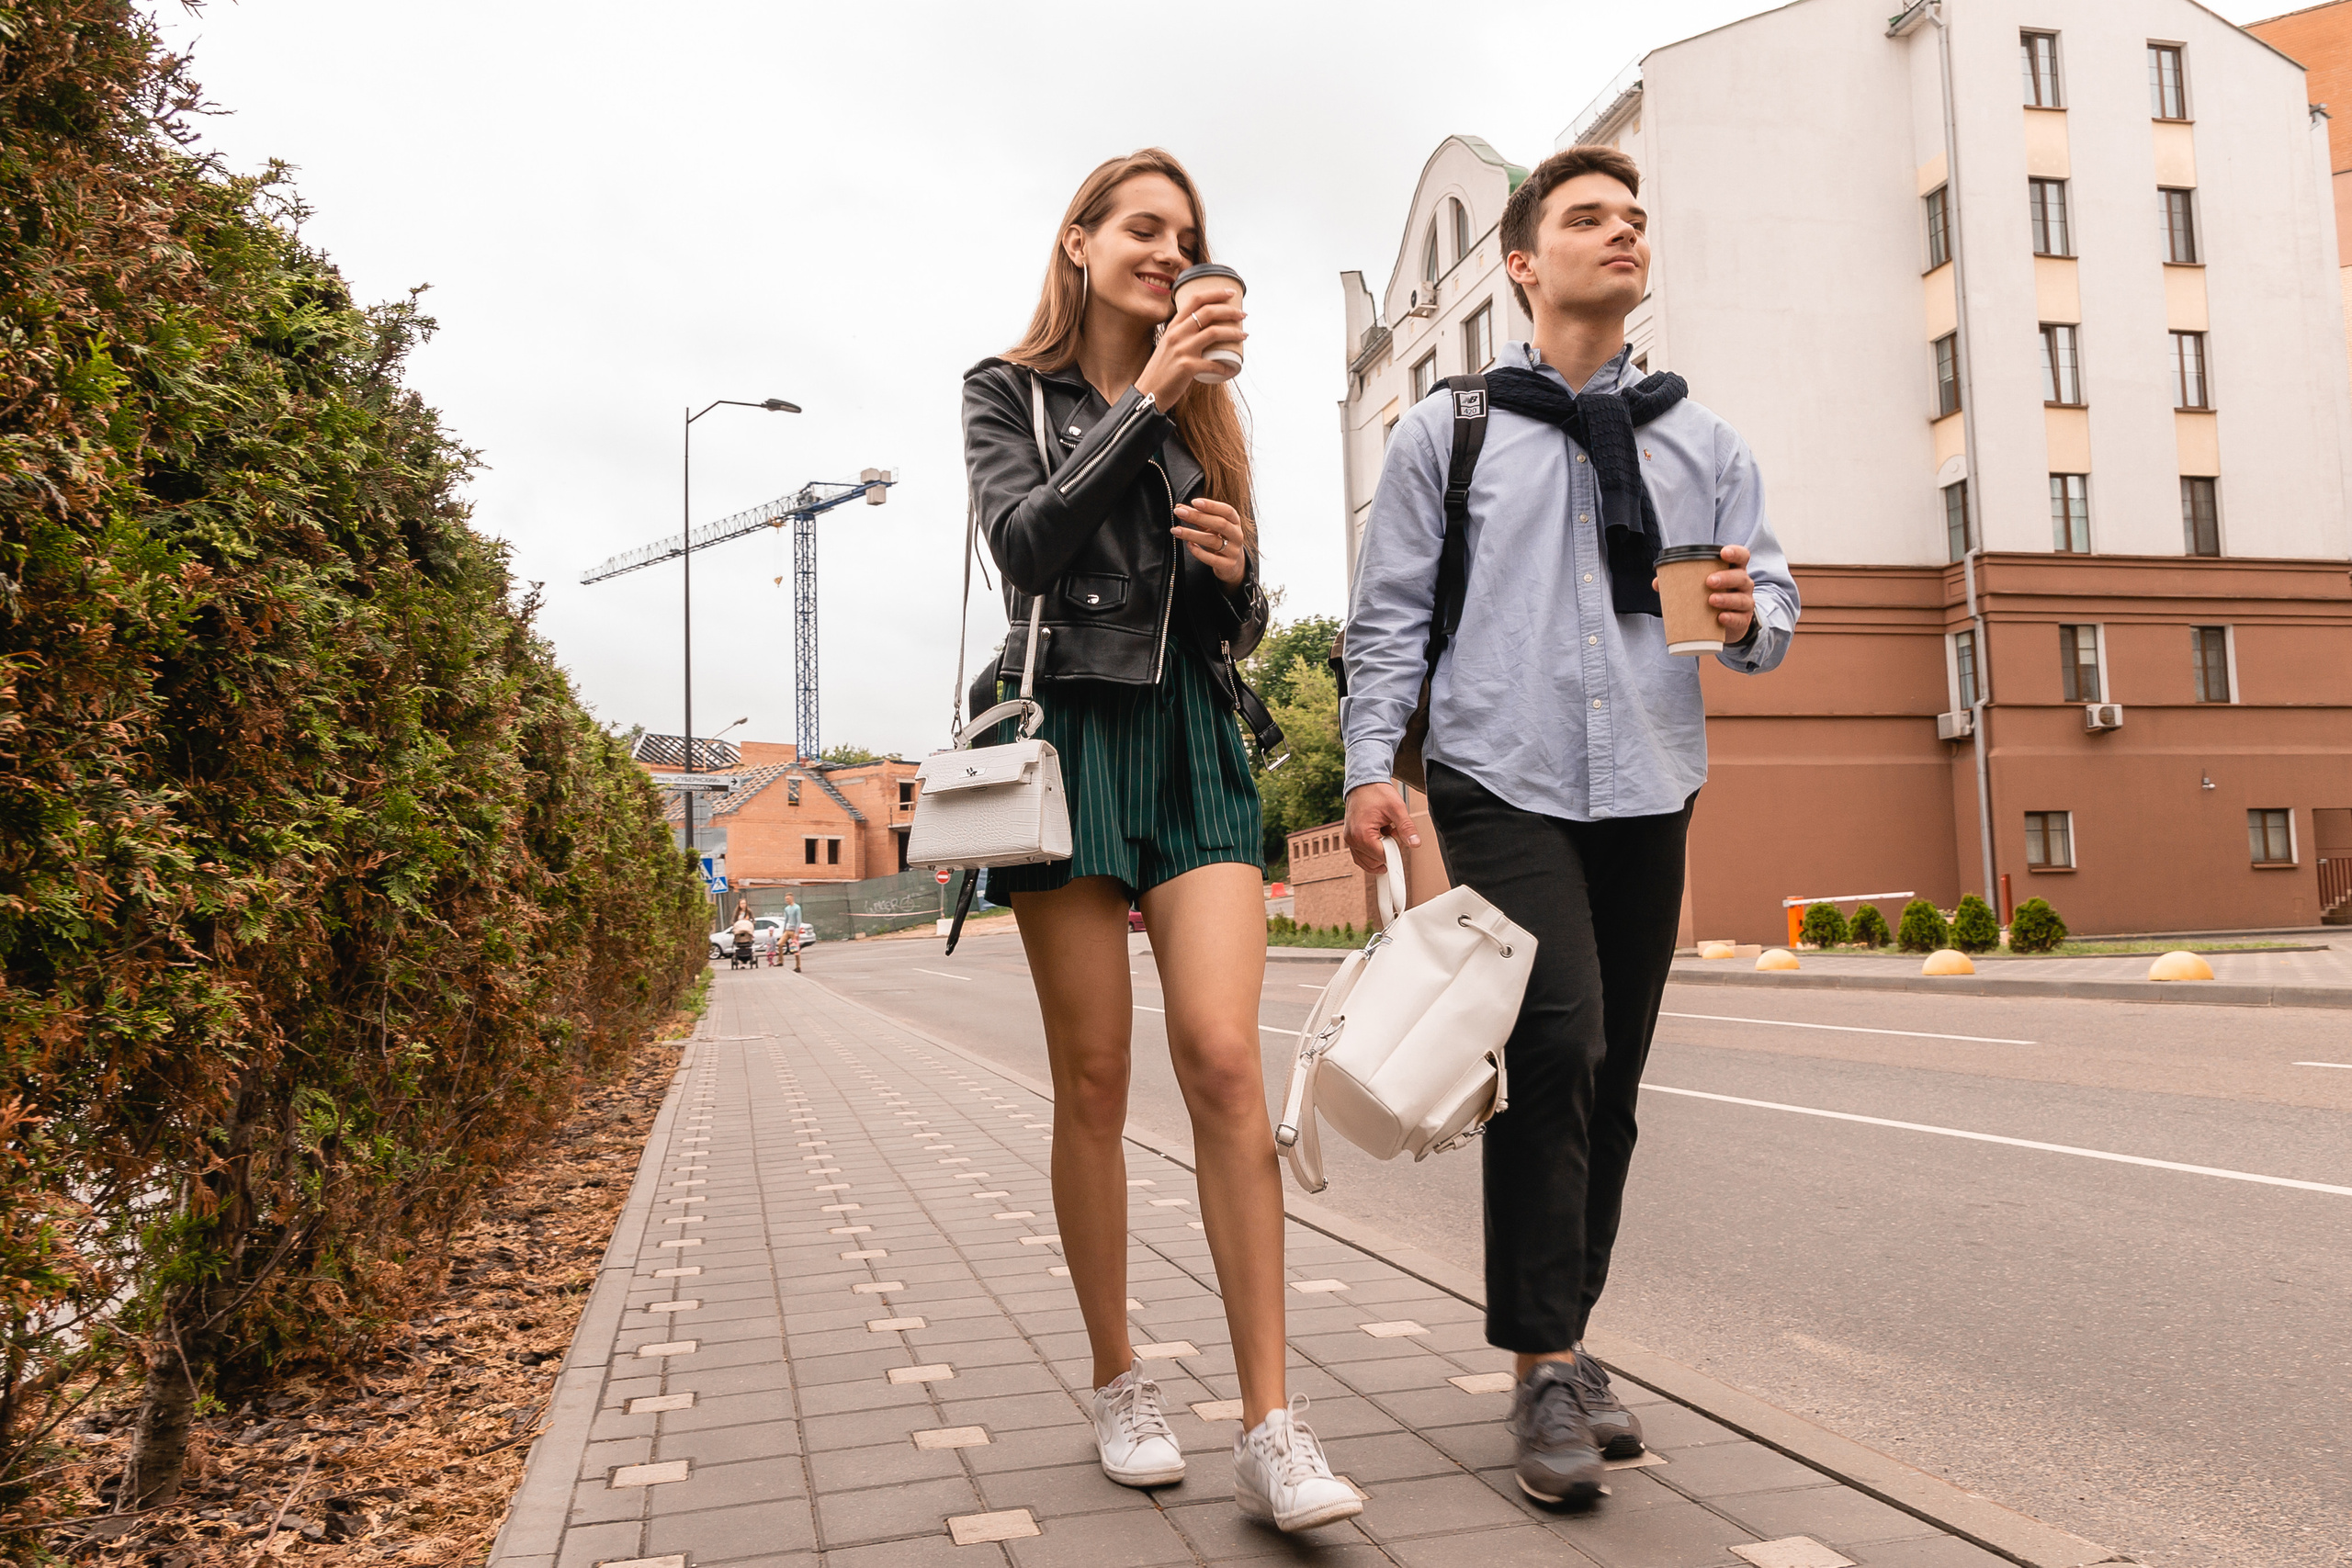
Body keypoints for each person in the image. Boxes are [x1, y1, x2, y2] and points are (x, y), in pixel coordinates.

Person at [1340, 144, 1798, 1510]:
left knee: (1616, 1073)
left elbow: (1766, 604)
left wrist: (1748, 617)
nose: (1623, 233)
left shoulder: (1702, 440)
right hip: (1504, 771)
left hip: (1653, 772)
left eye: (1637, 219)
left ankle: (1571, 1336)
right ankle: (1541, 1362)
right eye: (1591, 218)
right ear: (1524, 263)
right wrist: (1375, 764)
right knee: (1558, 1042)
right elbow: (1392, 620)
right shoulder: (1450, 428)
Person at [962, 149, 1358, 1532]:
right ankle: (1119, 1375)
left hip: (1192, 742)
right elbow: (1028, 544)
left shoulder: (1216, 416)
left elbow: (1231, 622)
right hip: (1067, 744)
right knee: (1091, 1073)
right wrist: (1147, 396)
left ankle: (1271, 1420)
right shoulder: (1007, 391)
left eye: (1185, 236)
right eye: (1142, 228)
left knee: (1225, 1054)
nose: (1167, 252)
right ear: (1079, 242)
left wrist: (1242, 579)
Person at [729, 901, 755, 969]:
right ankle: (741, 962)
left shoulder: (749, 912)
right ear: (739, 905)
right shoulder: (737, 912)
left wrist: (751, 924)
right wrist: (735, 925)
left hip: (747, 930)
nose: (743, 905)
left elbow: (753, 920)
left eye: (744, 903)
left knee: (747, 945)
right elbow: (732, 921)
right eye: (742, 903)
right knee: (740, 946)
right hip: (739, 931)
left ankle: (746, 959)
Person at [781, 894, 803, 971]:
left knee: (795, 948)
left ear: (792, 898)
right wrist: (784, 930)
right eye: (786, 899)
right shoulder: (786, 908)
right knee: (780, 944)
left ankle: (798, 966)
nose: (787, 900)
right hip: (787, 930)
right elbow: (786, 919)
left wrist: (797, 932)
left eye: (788, 899)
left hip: (794, 931)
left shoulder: (797, 908)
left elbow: (798, 920)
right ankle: (780, 961)